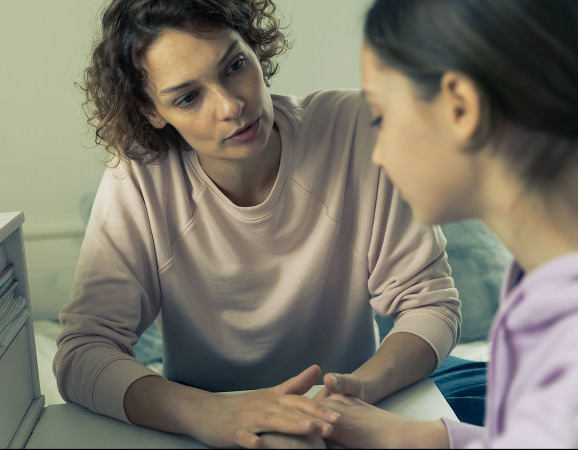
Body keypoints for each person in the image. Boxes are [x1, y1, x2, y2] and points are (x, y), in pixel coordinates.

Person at [54, 0, 463, 448]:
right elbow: (83, 352)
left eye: (234, 66)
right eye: (188, 97)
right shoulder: (138, 175)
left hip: (351, 414)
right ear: (152, 111)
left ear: (254, 47)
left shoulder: (354, 130)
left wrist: (352, 395)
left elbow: (431, 305)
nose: (231, 106)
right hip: (205, 427)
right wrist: (208, 414)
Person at [308, 0, 578, 448]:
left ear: (460, 107)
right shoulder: (540, 281)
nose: (377, 154)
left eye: (381, 116)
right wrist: (417, 437)